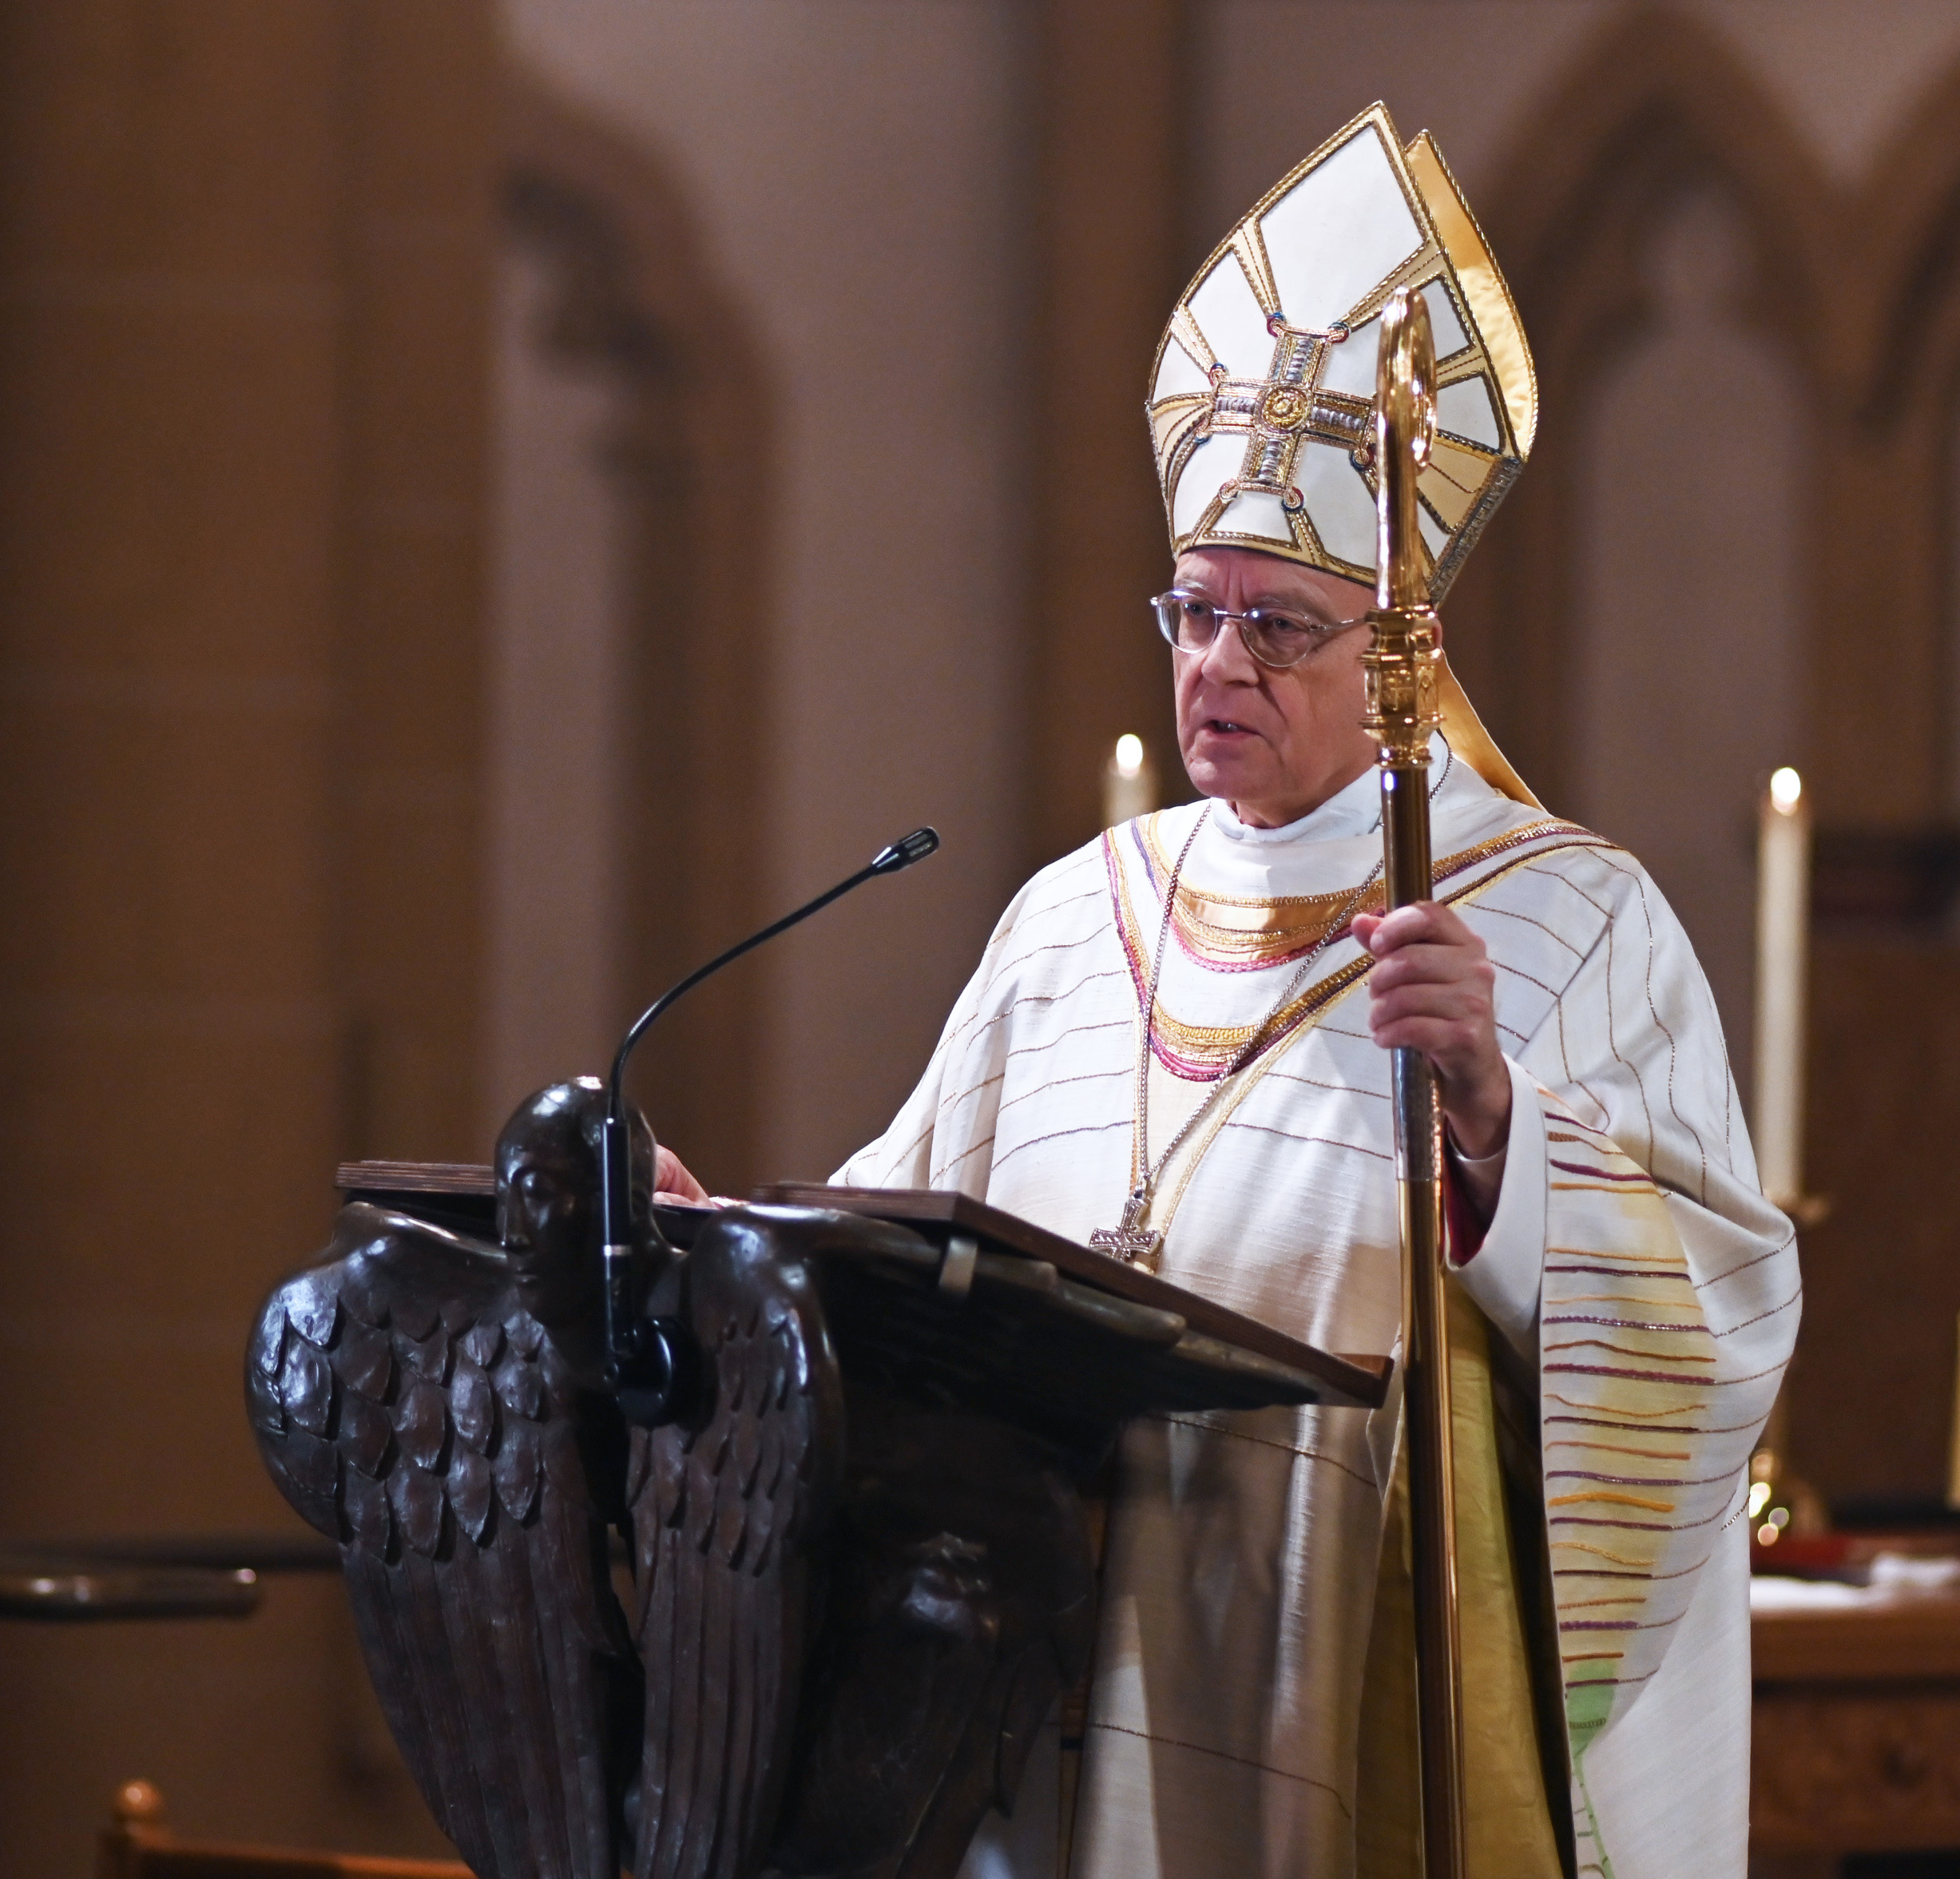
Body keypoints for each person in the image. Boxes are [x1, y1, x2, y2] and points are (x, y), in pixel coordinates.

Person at [663, 104, 1797, 1879]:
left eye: (1277, 625)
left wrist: (1497, 1125)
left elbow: (1719, 1322)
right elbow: (906, 1224)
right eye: (1193, 612)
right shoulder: (1074, 915)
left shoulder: (1569, 920)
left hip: (1323, 1672)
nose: (1215, 665)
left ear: (1403, 652)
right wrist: (730, 1238)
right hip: (1058, 1642)